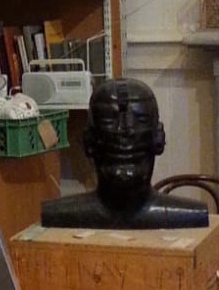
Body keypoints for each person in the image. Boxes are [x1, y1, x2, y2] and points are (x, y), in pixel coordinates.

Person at [41, 77, 208, 228]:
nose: (125, 131)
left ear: (158, 138)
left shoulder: (192, 215)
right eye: (109, 120)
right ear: (89, 141)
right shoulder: (58, 215)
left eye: (140, 120)